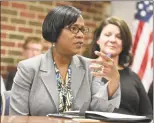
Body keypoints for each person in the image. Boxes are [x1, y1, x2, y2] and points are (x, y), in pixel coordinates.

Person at [9, 6, 121, 116]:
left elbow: (98, 112)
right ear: (55, 32)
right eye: (74, 29)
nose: (81, 35)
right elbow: (17, 119)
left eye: (82, 30)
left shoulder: (90, 67)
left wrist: (114, 81)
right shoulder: (28, 68)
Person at [91, 16, 152, 117]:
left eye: (119, 37)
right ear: (98, 39)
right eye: (107, 35)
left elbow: (148, 114)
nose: (113, 40)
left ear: (124, 44)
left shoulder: (133, 77)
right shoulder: (84, 70)